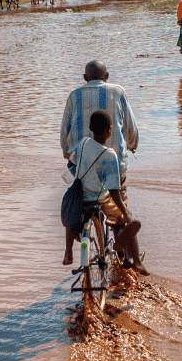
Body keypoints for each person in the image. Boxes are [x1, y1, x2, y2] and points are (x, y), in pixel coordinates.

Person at [63, 110, 146, 274]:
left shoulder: (83, 143)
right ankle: (123, 248)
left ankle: (68, 252)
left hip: (79, 197)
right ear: (109, 130)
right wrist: (125, 211)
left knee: (69, 215)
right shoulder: (109, 155)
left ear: (90, 128)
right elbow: (113, 189)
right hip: (99, 198)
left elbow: (69, 165)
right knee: (120, 216)